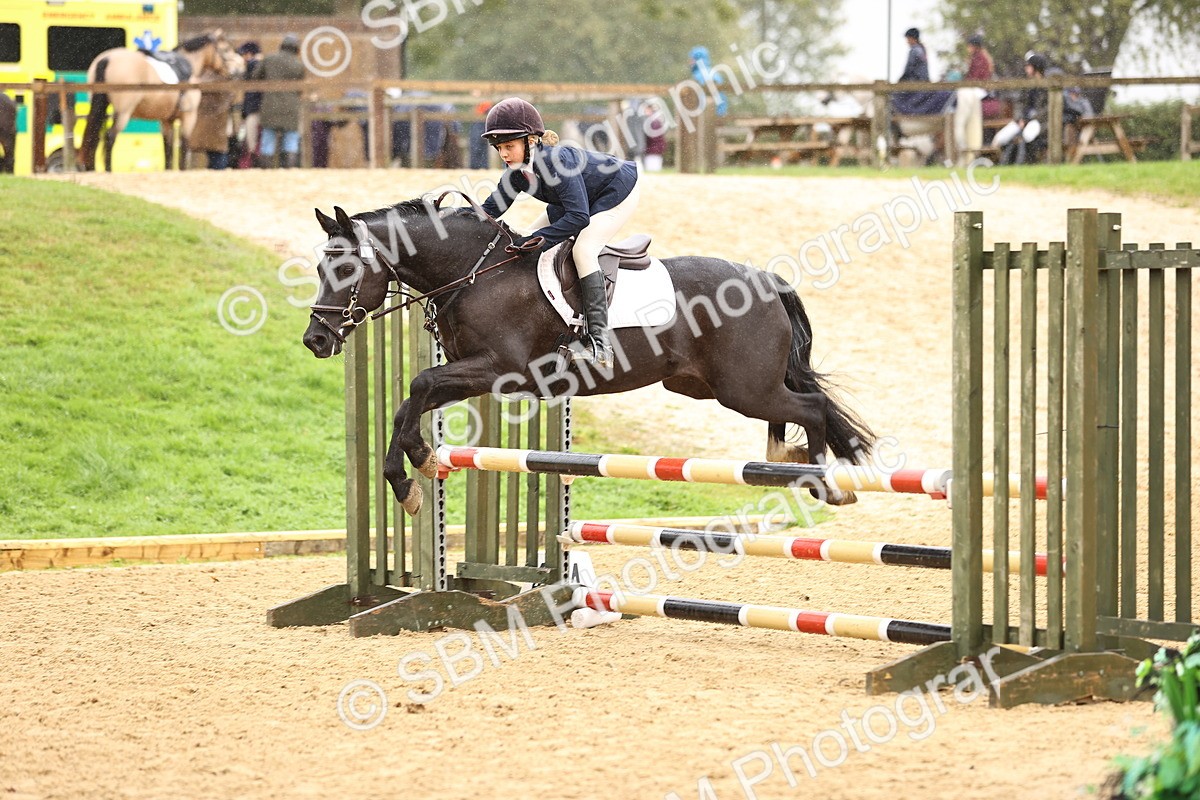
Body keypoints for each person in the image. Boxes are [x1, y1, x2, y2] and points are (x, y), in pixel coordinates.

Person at [479, 97, 640, 369]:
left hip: (617, 190)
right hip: (575, 200)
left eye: (509, 146)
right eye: (499, 148)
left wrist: (540, 241)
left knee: (584, 250)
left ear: (530, 141)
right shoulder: (516, 173)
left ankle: (600, 343)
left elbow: (578, 217)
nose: (504, 155)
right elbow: (489, 212)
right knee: (528, 233)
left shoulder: (557, 161)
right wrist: (450, 218)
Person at [252, 34, 305, 168]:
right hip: (291, 106)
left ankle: (267, 171)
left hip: (270, 104)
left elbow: (255, 77)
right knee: (291, 141)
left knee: (268, 140)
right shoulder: (298, 65)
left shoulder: (269, 59)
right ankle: (289, 170)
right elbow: (300, 89)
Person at [992, 52, 1048, 165]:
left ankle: (1026, 162)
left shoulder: (1047, 86)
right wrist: (1021, 118)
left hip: (1039, 122)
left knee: (1027, 135)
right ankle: (1007, 162)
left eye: (1029, 66)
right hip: (1023, 121)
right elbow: (1020, 105)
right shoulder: (1027, 85)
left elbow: (1046, 110)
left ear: (1036, 67)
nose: (1026, 69)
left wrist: (1029, 120)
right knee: (1000, 138)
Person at [892, 28, 952, 116]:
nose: (907, 41)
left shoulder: (914, 50)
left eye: (908, 39)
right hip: (923, 81)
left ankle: (905, 114)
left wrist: (900, 81)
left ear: (912, 38)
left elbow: (909, 69)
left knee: (896, 96)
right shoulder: (922, 50)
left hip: (915, 82)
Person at [953, 34, 993, 165]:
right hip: (977, 88)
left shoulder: (979, 59)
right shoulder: (977, 58)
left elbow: (975, 78)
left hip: (978, 90)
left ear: (974, 46)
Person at [188, 78, 234, 169]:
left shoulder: (204, 78)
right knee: (217, 157)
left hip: (209, 130)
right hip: (213, 131)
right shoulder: (223, 79)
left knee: (215, 157)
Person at [235, 41, 262, 169]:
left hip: (253, 110)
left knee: (251, 143)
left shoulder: (253, 65)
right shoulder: (255, 67)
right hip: (255, 109)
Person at [689, 46, 727, 116]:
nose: (690, 62)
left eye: (692, 59)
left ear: (697, 59)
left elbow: (697, 99)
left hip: (705, 116)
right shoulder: (715, 73)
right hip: (719, 114)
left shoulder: (698, 75)